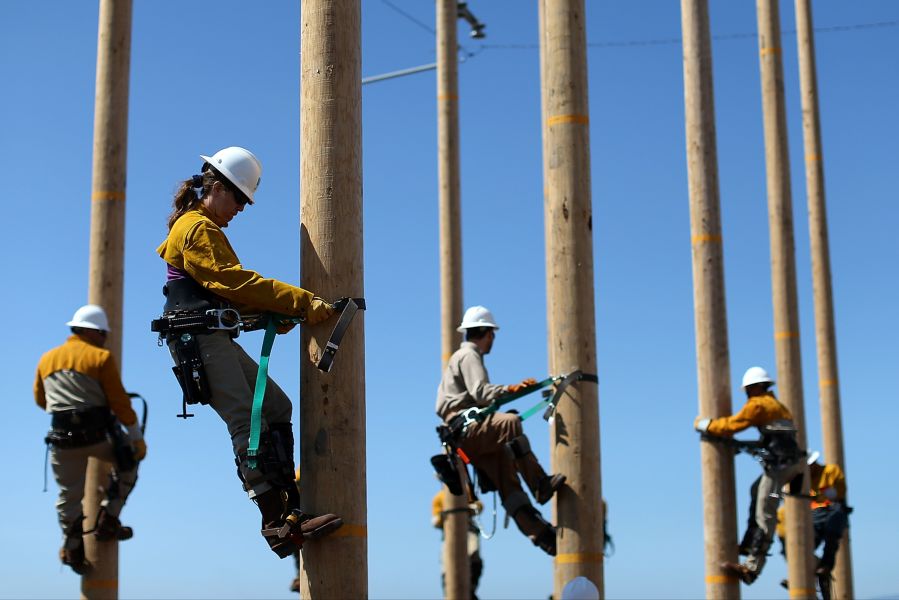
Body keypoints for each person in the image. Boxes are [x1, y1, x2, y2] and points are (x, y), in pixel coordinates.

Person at [153, 146, 342, 558]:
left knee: (276, 406)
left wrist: (275, 311)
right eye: (238, 197)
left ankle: (292, 510)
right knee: (247, 420)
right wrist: (296, 300)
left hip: (211, 335)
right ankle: (275, 523)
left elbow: (224, 297)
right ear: (215, 187)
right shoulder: (196, 227)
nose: (241, 207)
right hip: (198, 339)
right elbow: (232, 282)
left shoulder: (204, 228)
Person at [436, 305, 565, 556]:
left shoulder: (464, 358)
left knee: (509, 483)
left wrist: (511, 391)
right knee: (510, 423)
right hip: (467, 431)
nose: (493, 339)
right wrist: (511, 389)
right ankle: (539, 483)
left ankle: (543, 536)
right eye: (492, 333)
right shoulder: (468, 355)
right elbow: (481, 393)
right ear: (486, 332)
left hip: (470, 439)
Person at [35, 304, 146, 574]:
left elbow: (41, 400)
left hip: (62, 442)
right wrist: (136, 439)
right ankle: (109, 520)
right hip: (97, 438)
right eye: (103, 333)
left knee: (68, 496)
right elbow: (120, 403)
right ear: (92, 331)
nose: (105, 338)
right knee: (128, 464)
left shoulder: (47, 359)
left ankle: (72, 547)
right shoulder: (100, 357)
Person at [695, 366, 805, 585]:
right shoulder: (779, 406)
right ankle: (748, 544)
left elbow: (732, 425)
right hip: (791, 464)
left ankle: (752, 568)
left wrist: (705, 425)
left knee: (765, 513)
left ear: (754, 388)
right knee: (756, 492)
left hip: (779, 467)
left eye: (747, 389)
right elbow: (774, 438)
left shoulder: (758, 405)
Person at [773, 452, 849, 576]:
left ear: (813, 464)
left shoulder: (830, 471)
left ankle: (826, 566)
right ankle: (805, 573)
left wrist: (825, 494)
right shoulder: (803, 480)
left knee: (832, 536)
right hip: (815, 514)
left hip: (833, 510)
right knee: (806, 543)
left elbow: (839, 492)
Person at [432, 490, 484, 599]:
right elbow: (435, 521)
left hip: (468, 531)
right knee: (446, 566)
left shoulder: (467, 491)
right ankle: (449, 593)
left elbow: (479, 506)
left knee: (473, 555)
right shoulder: (439, 498)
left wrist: (469, 508)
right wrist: (443, 516)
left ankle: (471, 589)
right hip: (449, 535)